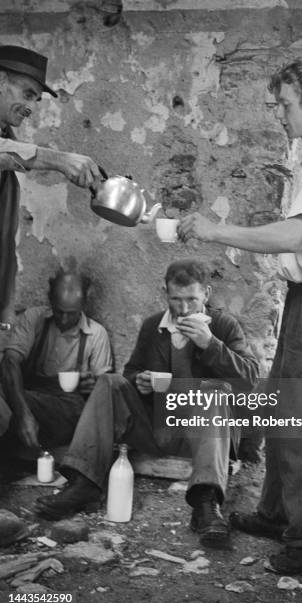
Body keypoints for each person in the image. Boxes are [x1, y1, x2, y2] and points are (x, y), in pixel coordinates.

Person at [178, 55, 302, 574]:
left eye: (283, 104)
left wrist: (216, 230)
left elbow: (292, 234)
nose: (278, 113)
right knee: (286, 410)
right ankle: (278, 513)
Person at [35, 259, 259, 549]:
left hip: (202, 437)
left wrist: (210, 344)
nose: (184, 308)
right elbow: (130, 372)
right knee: (109, 382)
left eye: (192, 299)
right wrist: (139, 380)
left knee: (214, 393)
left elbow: (250, 379)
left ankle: (206, 504)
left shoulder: (224, 325)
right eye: (175, 299)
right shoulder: (154, 326)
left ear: (206, 293)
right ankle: (84, 483)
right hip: (156, 427)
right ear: (165, 293)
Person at [0, 45, 101, 322]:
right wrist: (60, 160)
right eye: (27, 94)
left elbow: (12, 156)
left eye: (37, 100)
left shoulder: (6, 135)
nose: (32, 108)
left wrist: (5, 306)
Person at [0, 271, 113, 452]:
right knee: (7, 390)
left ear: (84, 304)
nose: (64, 319)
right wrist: (23, 413)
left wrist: (93, 384)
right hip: (29, 398)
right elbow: (9, 362)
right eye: (59, 311)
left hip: (65, 409)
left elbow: (107, 393)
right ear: (50, 300)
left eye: (71, 314)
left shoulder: (97, 334)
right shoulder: (34, 318)